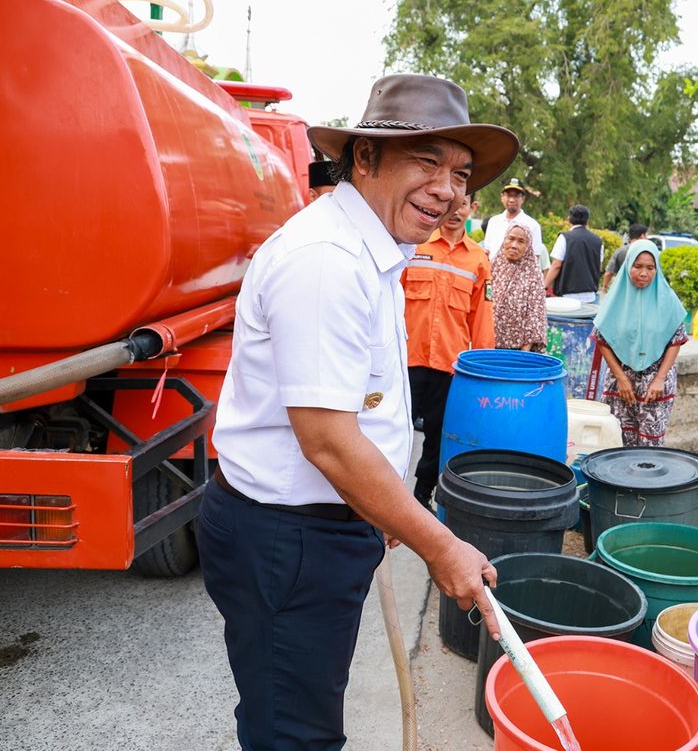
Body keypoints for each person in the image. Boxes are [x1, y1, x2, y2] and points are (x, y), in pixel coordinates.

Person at [201, 73, 517, 750]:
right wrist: (441, 544)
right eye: (427, 161)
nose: (448, 189)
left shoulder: (376, 252)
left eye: (460, 173)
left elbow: (360, 410)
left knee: (288, 713)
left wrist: (381, 505)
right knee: (295, 732)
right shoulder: (326, 260)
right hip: (288, 540)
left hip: (322, 528)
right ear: (365, 157)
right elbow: (328, 443)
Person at [403, 192, 495, 509]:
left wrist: (484, 373)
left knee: (438, 437)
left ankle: (420, 494)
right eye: (451, 205)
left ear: (473, 209)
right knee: (395, 431)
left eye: (463, 205)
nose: (456, 212)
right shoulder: (415, 246)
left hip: (448, 366)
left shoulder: (478, 259)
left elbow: (481, 319)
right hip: (406, 360)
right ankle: (384, 499)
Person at [592, 240, 688, 446]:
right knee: (616, 442)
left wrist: (659, 379)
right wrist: (622, 379)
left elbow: (675, 341)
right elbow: (602, 341)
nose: (644, 273)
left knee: (650, 446)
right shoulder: (615, 299)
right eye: (638, 266)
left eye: (650, 268)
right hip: (620, 384)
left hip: (656, 386)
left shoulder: (668, 300)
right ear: (628, 266)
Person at [491, 218, 548, 352]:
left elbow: (535, 315)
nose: (514, 245)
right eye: (510, 239)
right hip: (488, 343)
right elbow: (484, 301)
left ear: (528, 246)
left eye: (521, 241)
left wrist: (524, 353)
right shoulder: (493, 267)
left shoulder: (533, 275)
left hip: (517, 350)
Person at [481, 178, 546, 269]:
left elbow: (535, 258)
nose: (512, 200)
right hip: (493, 276)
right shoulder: (493, 222)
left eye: (516, 196)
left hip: (520, 279)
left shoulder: (532, 225)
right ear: (502, 197)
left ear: (523, 199)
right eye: (508, 195)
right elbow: (487, 251)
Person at [543, 204, 603, 302]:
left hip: (568, 296)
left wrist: (544, 287)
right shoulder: (598, 241)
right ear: (587, 221)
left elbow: (556, 265)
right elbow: (599, 267)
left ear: (569, 219)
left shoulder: (564, 238)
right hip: (590, 296)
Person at [601, 223, 648, 293]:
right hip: (643, 291)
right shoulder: (648, 253)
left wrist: (604, 287)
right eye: (646, 235)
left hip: (622, 291)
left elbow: (609, 273)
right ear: (642, 236)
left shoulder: (620, 251)